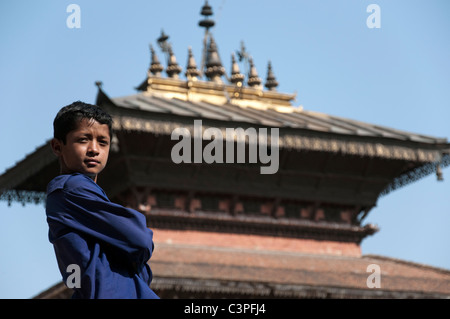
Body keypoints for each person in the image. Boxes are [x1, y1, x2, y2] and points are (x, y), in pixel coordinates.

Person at [45, 101, 159, 299]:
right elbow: (141, 239)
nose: (94, 149)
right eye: (83, 140)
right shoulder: (71, 189)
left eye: (103, 142)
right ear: (57, 146)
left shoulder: (85, 194)